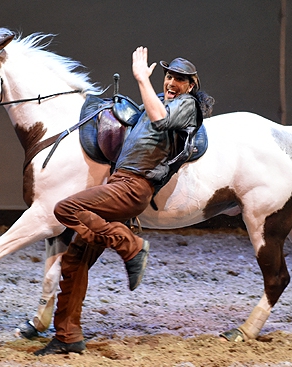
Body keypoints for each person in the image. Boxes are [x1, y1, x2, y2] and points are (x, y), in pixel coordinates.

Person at [35, 47, 214, 356]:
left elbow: (160, 120)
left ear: (191, 85)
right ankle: (68, 336)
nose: (172, 82)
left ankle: (129, 245)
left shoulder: (188, 106)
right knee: (75, 261)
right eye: (169, 76)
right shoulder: (155, 101)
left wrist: (141, 78)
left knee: (65, 208)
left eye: (180, 80)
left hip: (134, 186)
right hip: (119, 184)